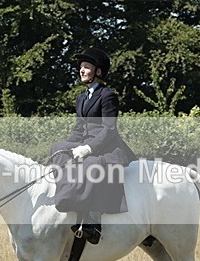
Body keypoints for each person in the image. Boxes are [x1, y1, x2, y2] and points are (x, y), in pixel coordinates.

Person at [50, 48, 136, 245]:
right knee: (57, 148)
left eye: (86, 67)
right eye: (81, 67)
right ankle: (67, 199)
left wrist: (88, 149)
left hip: (107, 147)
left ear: (98, 72)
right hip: (85, 142)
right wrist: (67, 147)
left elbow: (109, 130)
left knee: (90, 165)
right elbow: (79, 129)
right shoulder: (81, 98)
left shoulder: (108, 96)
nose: (81, 71)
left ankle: (93, 223)